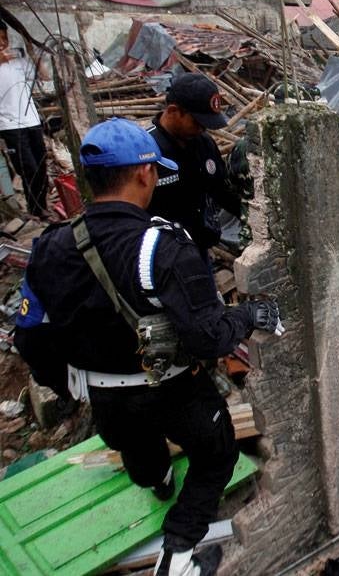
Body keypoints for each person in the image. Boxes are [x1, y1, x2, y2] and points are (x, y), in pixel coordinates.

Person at [13, 118, 282, 576]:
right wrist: (248, 316)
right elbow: (208, 336)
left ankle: (158, 481)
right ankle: (178, 555)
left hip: (107, 398)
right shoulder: (162, 247)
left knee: (139, 454)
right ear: (144, 174)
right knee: (216, 455)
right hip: (173, 391)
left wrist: (66, 386)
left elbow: (30, 335)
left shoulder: (51, 247)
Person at [148, 72, 242, 258]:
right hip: (163, 256)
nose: (202, 129)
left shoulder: (204, 144)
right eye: (197, 122)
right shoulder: (147, 152)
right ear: (174, 111)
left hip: (199, 249)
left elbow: (222, 191)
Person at [0, 18, 50, 219]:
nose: (2, 43)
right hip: (9, 126)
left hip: (32, 122)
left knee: (41, 166)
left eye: (4, 38)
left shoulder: (19, 62)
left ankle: (40, 207)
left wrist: (34, 55)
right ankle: (36, 210)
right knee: (28, 168)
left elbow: (44, 76)